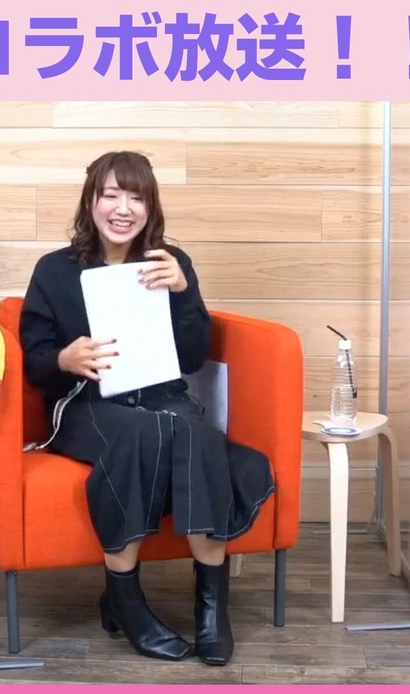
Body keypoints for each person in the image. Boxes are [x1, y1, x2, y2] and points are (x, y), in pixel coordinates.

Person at [17, 151, 276, 666]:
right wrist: (65, 358)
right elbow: (34, 360)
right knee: (145, 434)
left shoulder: (169, 263)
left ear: (150, 206)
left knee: (198, 435)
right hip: (86, 403)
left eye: (135, 197)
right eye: (111, 195)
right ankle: (125, 599)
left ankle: (211, 607)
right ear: (91, 201)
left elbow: (193, 356)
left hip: (161, 397)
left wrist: (183, 292)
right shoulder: (54, 270)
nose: (123, 208)